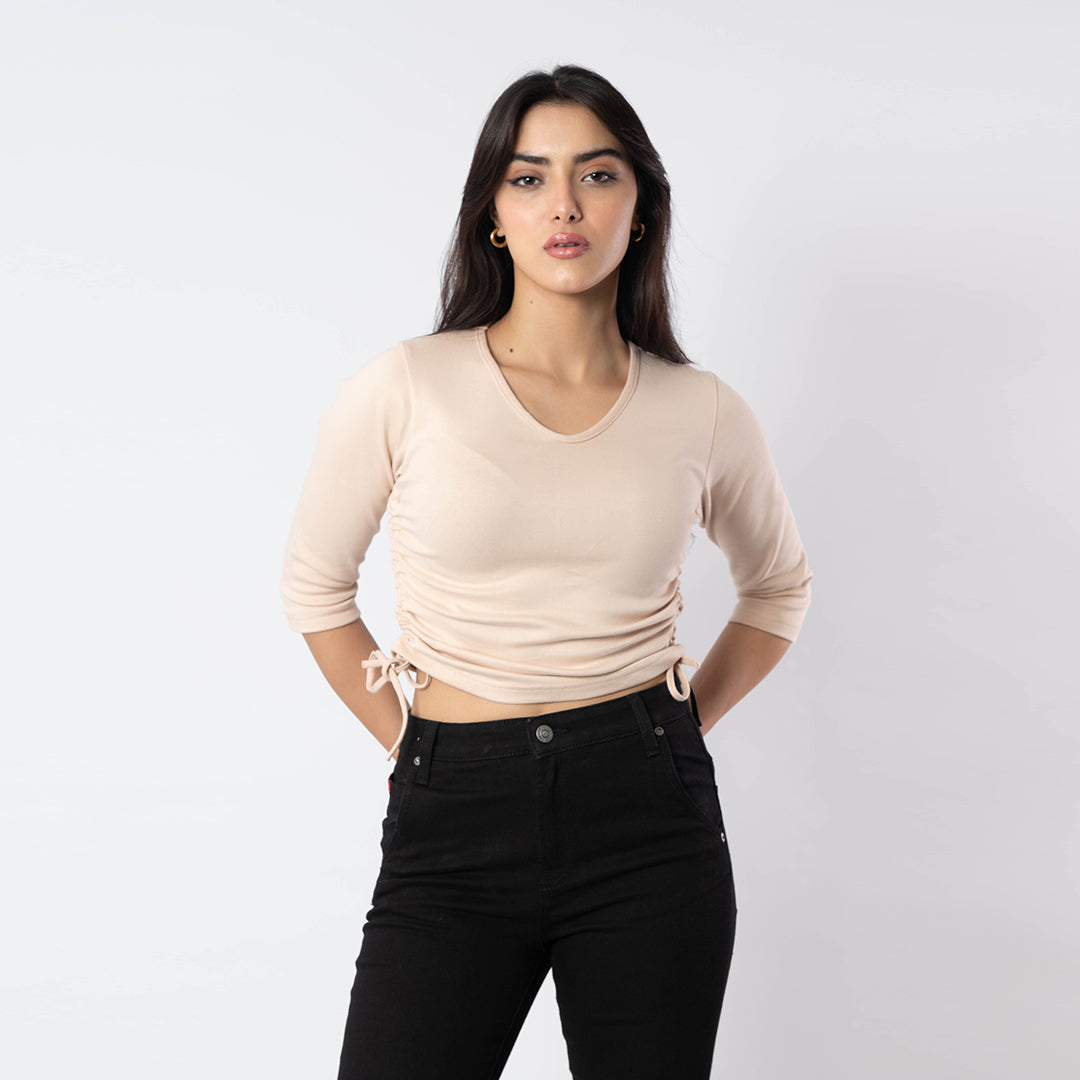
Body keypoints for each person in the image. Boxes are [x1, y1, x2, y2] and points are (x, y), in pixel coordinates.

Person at [280, 64, 812, 1080]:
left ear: (640, 209)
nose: (563, 205)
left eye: (596, 175)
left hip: (648, 831)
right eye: (529, 178)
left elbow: (778, 588)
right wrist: (408, 740)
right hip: (452, 817)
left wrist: (671, 732)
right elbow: (315, 587)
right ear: (493, 213)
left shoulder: (699, 409)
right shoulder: (409, 385)